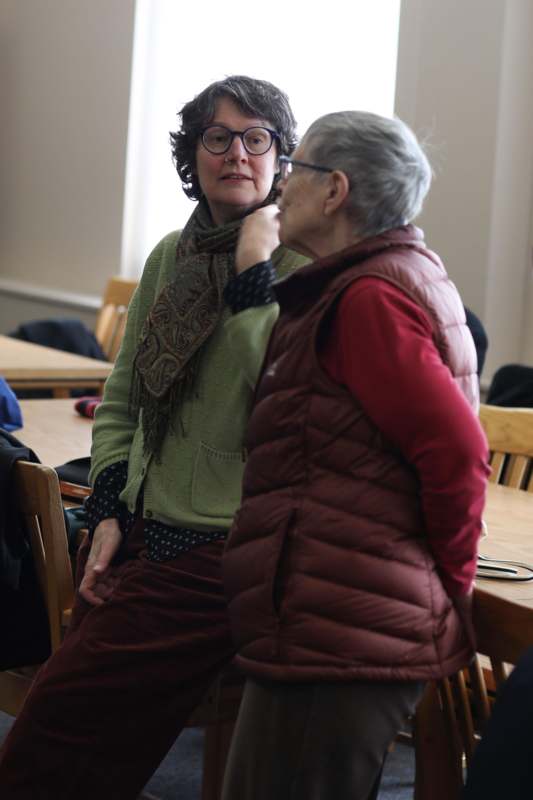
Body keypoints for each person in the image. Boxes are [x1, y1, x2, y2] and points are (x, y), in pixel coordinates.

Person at [0, 75, 308, 799]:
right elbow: (123, 398)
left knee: (53, 736)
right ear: (191, 155)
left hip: (224, 547)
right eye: (217, 137)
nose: (237, 153)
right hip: (146, 526)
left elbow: (263, 378)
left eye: (257, 138)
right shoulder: (172, 252)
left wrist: (252, 270)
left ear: (283, 160)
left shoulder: (300, 264)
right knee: (67, 730)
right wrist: (108, 508)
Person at [220, 110, 491, 800]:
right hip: (337, 615)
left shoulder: (367, 297)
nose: (279, 183)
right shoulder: (368, 282)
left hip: (344, 628)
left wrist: (452, 582)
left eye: (295, 166)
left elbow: (456, 453)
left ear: (334, 189)